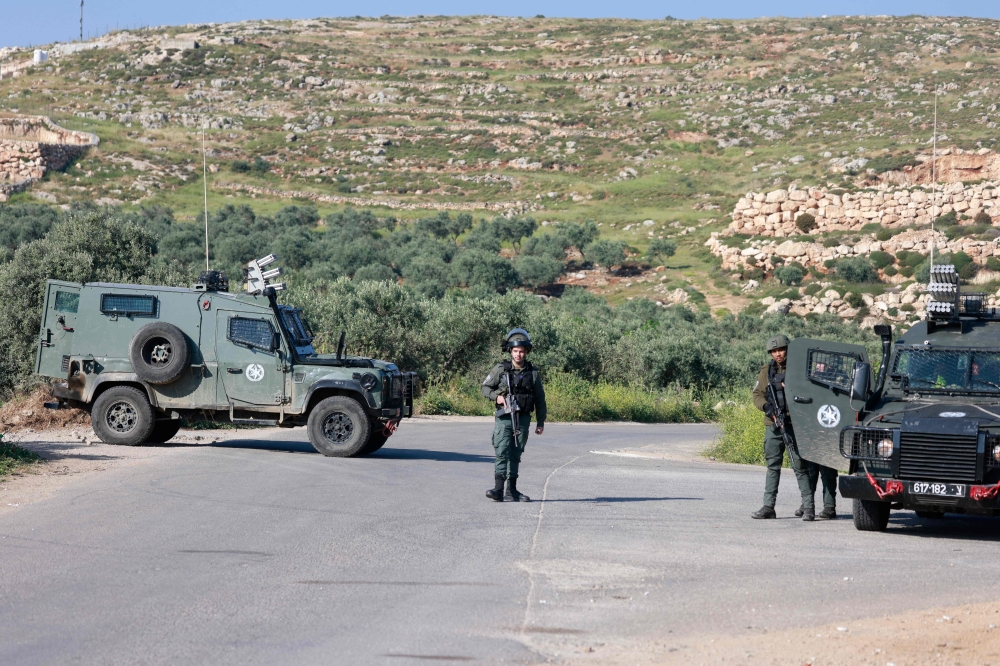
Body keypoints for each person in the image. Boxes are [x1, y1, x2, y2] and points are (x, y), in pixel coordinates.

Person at [751, 334, 818, 521]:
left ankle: (809, 507)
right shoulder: (767, 370)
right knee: (773, 466)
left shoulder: (798, 369)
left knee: (800, 466)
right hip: (773, 424)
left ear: (788, 349)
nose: (777, 354)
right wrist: (766, 406)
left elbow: (809, 393)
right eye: (773, 351)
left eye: (780, 350)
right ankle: (768, 507)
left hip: (793, 424)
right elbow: (757, 394)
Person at [481, 328, 546, 502]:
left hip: (523, 418)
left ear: (526, 352)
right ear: (511, 351)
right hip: (504, 417)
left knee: (516, 452)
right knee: (502, 451)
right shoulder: (501, 369)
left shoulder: (533, 373)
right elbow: (485, 388)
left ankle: (512, 490)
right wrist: (498, 397)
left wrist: (541, 421)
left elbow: (540, 398)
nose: (518, 354)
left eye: (521, 351)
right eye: (515, 351)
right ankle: (498, 489)